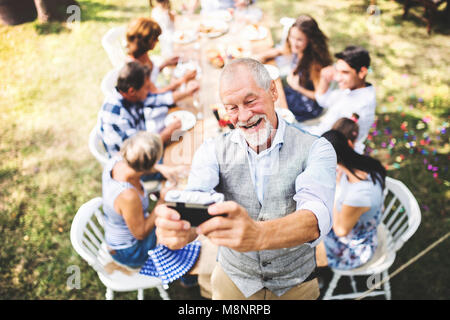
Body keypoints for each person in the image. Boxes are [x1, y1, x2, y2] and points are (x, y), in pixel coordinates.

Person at [154, 58, 337, 300]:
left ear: (273, 90)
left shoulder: (317, 148)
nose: (244, 116)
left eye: (251, 101)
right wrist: (183, 229)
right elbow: (197, 196)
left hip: (296, 285)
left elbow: (316, 217)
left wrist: (259, 235)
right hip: (234, 282)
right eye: (232, 108)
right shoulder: (211, 150)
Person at [316, 129, 386, 270]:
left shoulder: (359, 195)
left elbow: (341, 231)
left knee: (303, 243)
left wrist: (335, 194)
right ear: (349, 143)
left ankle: (314, 274)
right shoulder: (366, 164)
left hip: (353, 247)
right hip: (357, 224)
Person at [98, 61, 198, 155]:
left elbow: (159, 99)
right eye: (146, 88)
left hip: (143, 141)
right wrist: (167, 132)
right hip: (131, 160)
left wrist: (187, 92)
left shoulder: (130, 94)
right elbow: (140, 150)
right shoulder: (117, 116)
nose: (149, 90)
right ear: (132, 91)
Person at [102, 131, 163, 269]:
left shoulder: (116, 161)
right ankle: (187, 278)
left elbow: (139, 165)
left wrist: (166, 170)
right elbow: (140, 233)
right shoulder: (128, 196)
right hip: (130, 251)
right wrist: (161, 203)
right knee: (177, 224)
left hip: (120, 234)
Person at [301, 46, 376, 154]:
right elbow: (323, 100)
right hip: (318, 133)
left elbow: (335, 145)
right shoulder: (353, 88)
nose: (337, 78)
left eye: (345, 72)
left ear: (362, 72)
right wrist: (324, 79)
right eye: (337, 71)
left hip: (325, 147)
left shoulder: (359, 107)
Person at [258, 15, 332, 122]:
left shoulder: (315, 64)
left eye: (299, 39)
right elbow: (281, 51)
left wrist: (297, 87)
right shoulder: (297, 47)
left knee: (272, 106)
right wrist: (261, 57)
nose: (293, 42)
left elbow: (319, 97)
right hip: (294, 90)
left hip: (306, 104)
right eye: (292, 37)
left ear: (310, 41)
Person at [126, 17, 197, 93]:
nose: (157, 41)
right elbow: (155, 93)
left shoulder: (142, 54)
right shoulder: (135, 67)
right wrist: (183, 80)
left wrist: (165, 64)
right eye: (155, 38)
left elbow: (150, 75)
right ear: (146, 41)